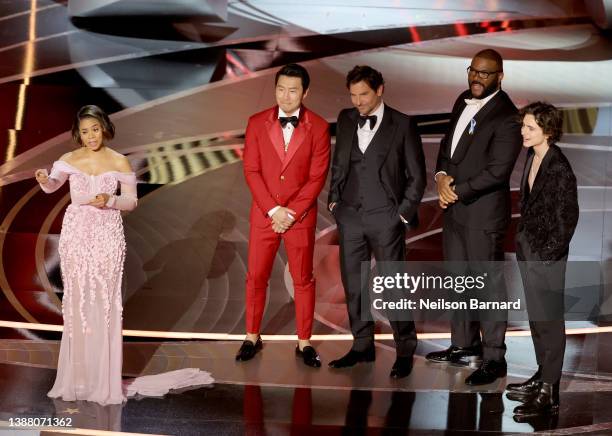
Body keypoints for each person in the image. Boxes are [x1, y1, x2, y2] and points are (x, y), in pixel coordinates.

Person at [36, 105, 213, 405]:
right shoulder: (68, 160)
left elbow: (131, 202)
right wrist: (43, 178)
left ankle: (102, 381)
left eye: (95, 129)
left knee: (104, 303)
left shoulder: (119, 161)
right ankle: (78, 378)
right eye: (84, 131)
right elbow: (52, 186)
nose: (91, 136)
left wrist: (111, 199)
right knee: (78, 301)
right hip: (76, 234)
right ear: (77, 135)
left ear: (104, 128)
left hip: (108, 233)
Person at [426, 49, 522, 385]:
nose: (476, 78)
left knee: (488, 286)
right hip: (455, 211)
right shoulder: (461, 100)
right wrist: (440, 176)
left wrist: (457, 190)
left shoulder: (508, 116)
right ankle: (464, 345)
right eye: (473, 71)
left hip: (482, 214)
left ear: (500, 75)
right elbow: (446, 146)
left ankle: (494, 357)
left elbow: (497, 171)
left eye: (484, 73)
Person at [327, 65, 426, 378]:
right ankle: (361, 344)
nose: (358, 102)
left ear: (380, 89)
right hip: (350, 215)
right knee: (353, 284)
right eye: (353, 95)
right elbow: (340, 162)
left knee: (393, 286)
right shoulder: (345, 119)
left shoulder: (403, 124)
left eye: (364, 94)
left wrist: (401, 214)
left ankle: (405, 347)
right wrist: (334, 200)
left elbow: (417, 175)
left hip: (385, 217)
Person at [236, 63, 331, 367]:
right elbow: (251, 170)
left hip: (299, 218)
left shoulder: (318, 126)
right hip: (265, 214)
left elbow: (317, 177)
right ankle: (252, 336)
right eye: (280, 89)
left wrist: (291, 213)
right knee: (256, 277)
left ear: (305, 92)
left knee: (303, 279)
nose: (285, 96)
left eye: (293, 90)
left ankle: (304, 342)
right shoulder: (255, 122)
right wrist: (273, 210)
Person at [507, 102, 578, 417]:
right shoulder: (531, 155)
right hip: (529, 250)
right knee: (536, 318)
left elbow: (567, 219)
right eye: (523, 125)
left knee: (549, 321)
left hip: (547, 257)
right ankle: (541, 376)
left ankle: (550, 391)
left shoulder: (560, 168)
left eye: (530, 127)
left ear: (547, 131)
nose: (523, 131)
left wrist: (547, 256)